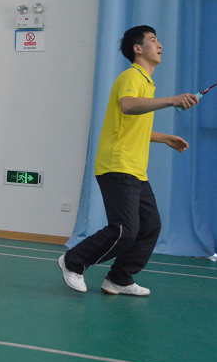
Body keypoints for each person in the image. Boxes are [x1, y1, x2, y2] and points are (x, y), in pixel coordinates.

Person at [58, 26, 198, 296]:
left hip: (135, 169)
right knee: (125, 229)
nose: (160, 45)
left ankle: (119, 278)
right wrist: (172, 100)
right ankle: (73, 261)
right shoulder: (132, 76)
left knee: (150, 226)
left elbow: (132, 127)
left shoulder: (147, 83)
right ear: (138, 49)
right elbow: (128, 105)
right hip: (117, 165)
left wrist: (164, 138)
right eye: (153, 40)